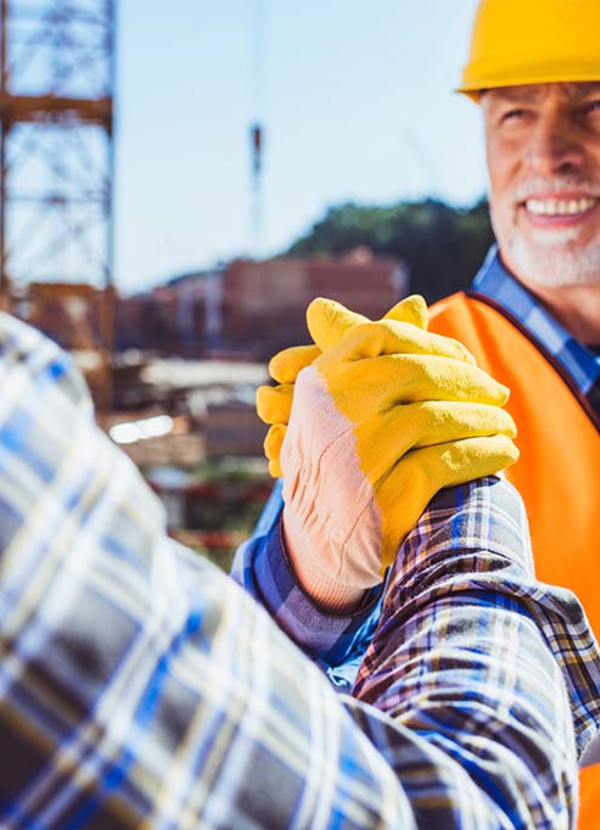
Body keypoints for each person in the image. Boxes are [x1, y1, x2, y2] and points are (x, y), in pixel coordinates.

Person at [0, 296, 599, 825]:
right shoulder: (426, 354)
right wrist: (461, 493)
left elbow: (254, 736)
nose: (548, 160)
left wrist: (314, 586)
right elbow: (479, 810)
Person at [234, 0, 600, 825]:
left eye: (594, 106)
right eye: (513, 113)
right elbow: (258, 704)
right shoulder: (403, 375)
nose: (547, 152)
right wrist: (314, 582)